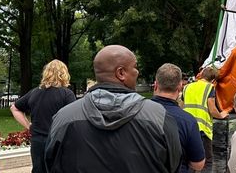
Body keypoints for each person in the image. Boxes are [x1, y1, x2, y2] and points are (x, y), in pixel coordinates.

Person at [44, 45, 181, 172]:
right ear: (121, 73)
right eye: (135, 67)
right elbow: (174, 164)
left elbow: (50, 163)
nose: (138, 72)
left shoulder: (64, 118)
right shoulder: (159, 116)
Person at [11, 59, 76, 173]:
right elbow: (73, 118)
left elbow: (14, 108)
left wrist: (28, 126)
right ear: (64, 74)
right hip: (58, 141)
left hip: (37, 142)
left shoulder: (34, 92)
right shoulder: (67, 94)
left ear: (46, 73)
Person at [152, 63, 205, 173]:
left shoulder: (137, 112)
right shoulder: (187, 121)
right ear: (180, 87)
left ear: (156, 85)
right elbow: (198, 164)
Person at [183, 66, 228, 173]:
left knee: (189, 159)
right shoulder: (209, 87)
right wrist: (221, 115)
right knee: (207, 160)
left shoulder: (187, 87)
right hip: (202, 130)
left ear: (202, 75)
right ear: (213, 80)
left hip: (187, 127)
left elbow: (181, 105)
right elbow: (212, 109)